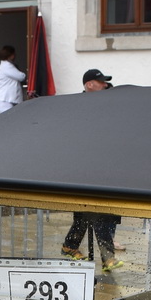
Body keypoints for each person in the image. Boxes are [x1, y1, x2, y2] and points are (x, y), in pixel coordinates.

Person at [62, 70, 123, 270]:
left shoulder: (103, 106)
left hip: (100, 168)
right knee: (97, 212)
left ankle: (70, 247)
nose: (105, 86)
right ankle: (107, 257)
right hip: (84, 170)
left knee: (90, 213)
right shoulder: (78, 107)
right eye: (101, 82)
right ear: (89, 85)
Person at [0, 44, 25, 113]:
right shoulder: (7, 66)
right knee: (9, 120)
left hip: (5, 99)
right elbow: (21, 77)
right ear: (11, 55)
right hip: (4, 100)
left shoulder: (5, 65)